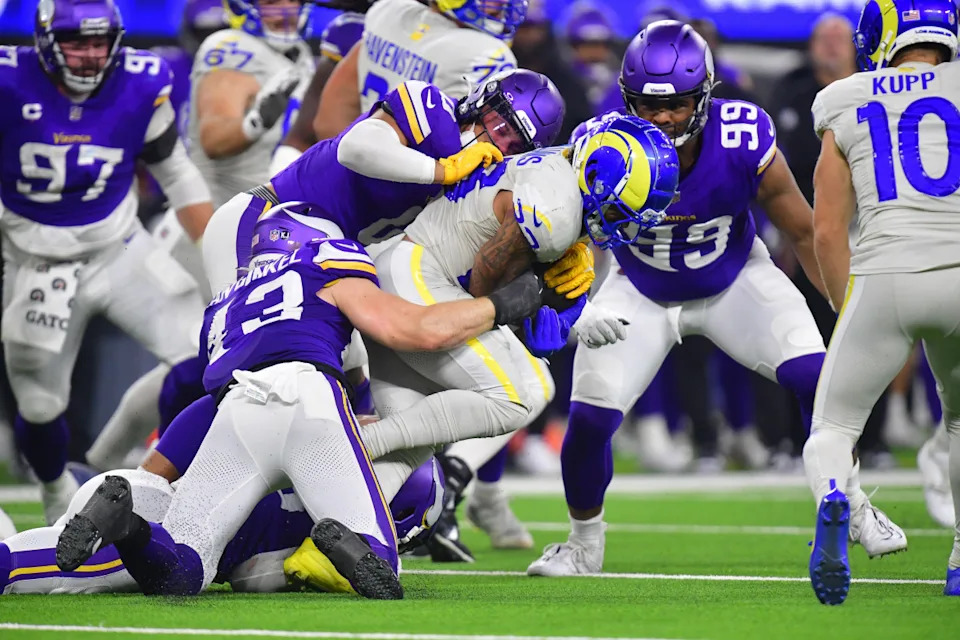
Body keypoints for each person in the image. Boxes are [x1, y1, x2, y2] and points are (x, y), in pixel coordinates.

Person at [526, 19, 907, 578]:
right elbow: (559, 235)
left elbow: (801, 229)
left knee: (817, 380)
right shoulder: (601, 144)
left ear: (704, 96)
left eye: (677, 104)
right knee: (588, 422)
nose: (661, 118)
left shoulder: (741, 136)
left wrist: (843, 308)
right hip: (641, 288)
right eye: (648, 105)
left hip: (735, 280)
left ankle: (851, 502)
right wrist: (578, 306)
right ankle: (584, 545)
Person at [56, 202, 551, 599]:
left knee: (182, 570)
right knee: (381, 558)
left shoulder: (224, 304)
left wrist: (153, 482)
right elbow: (410, 330)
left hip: (237, 409)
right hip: (309, 400)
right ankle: (351, 544)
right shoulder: (328, 263)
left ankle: (131, 528)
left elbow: (200, 406)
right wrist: (499, 306)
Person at [353, 112, 677, 564]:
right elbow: (485, 286)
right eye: (624, 212)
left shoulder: (562, 180)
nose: (626, 227)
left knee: (415, 448)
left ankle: (336, 536)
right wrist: (537, 304)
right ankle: (359, 441)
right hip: (421, 276)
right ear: (599, 178)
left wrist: (544, 304)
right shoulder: (556, 214)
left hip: (413, 273)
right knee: (527, 390)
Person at [0, 0, 213, 524]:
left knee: (202, 357)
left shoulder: (142, 79)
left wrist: (219, 254)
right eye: (78, 42)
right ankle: (55, 494)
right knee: (41, 405)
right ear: (47, 41)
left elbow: (177, 173)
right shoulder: (8, 79)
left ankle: (157, 482)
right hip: (36, 262)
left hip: (119, 249)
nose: (91, 56)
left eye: (100, 42)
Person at [802, 0, 960, 604]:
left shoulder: (844, 97)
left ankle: (836, 496)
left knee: (832, 428)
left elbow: (824, 231)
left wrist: (855, 317)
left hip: (887, 271)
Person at [314, 0, 525, 141]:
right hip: (415, 192)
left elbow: (328, 121)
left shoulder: (387, 11)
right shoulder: (488, 54)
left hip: (352, 166)